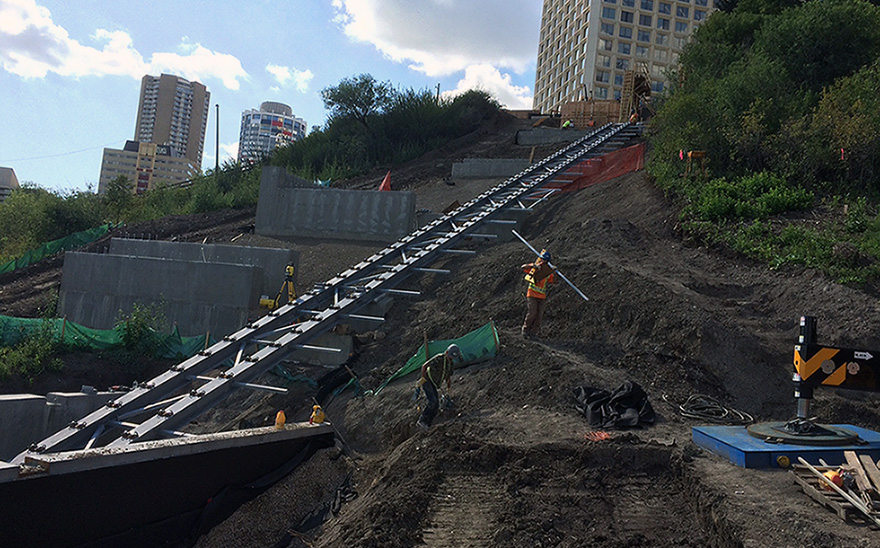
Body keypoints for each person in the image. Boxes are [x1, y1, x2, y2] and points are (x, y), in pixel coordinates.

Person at [416, 343, 462, 429]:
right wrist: (422, 378)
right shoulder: (439, 358)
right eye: (450, 357)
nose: (451, 359)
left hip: (434, 383)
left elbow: (448, 377)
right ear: (447, 353)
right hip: (427, 380)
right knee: (432, 401)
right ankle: (422, 420)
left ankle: (427, 424)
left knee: (436, 406)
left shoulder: (450, 365)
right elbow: (424, 366)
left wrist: (449, 388)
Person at [521, 249, 556, 338]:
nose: (543, 262)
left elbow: (554, 281)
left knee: (539, 315)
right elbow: (523, 267)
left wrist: (555, 272)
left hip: (541, 297)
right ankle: (525, 330)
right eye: (542, 260)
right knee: (532, 312)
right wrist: (532, 265)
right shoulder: (534, 268)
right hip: (532, 294)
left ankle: (533, 333)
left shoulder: (547, 272)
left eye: (545, 261)